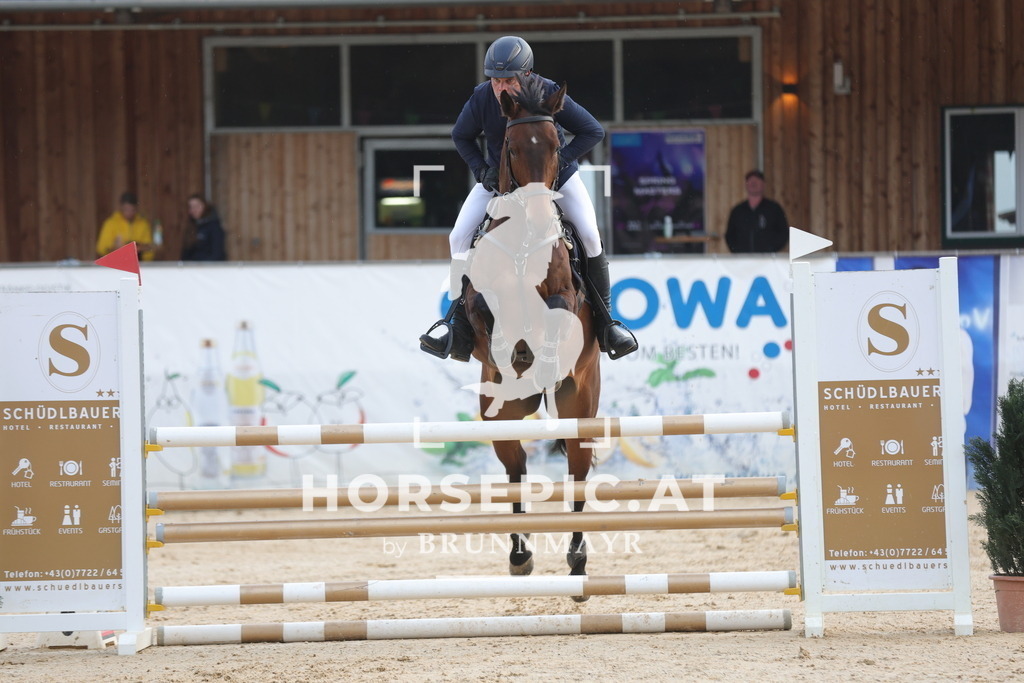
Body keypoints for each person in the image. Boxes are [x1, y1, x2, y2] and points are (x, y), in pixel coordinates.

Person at [419, 35, 637, 362]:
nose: (501, 88)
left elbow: (593, 131)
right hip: (502, 182)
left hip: (557, 179)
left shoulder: (548, 91)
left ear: (528, 74)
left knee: (590, 236)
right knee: (458, 237)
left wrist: (557, 163)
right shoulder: (482, 98)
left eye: (509, 80)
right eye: (496, 81)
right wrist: (482, 170)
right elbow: (460, 135)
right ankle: (459, 326)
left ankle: (607, 324)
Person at [725, 170, 790, 253]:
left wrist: (771, 250)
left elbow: (783, 233)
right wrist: (737, 251)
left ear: (763, 184)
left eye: (757, 180)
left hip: (768, 260)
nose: (753, 183)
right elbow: (730, 235)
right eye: (750, 181)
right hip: (742, 260)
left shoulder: (774, 209)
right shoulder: (738, 211)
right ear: (746, 184)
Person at [96, 191, 157, 261]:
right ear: (121, 207)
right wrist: (117, 248)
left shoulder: (143, 224)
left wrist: (139, 248)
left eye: (132, 210)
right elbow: (101, 249)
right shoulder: (111, 223)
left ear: (136, 208)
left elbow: (150, 249)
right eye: (126, 209)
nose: (129, 213)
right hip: (116, 265)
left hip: (140, 265)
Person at [181, 194, 227, 261]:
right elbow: (186, 254)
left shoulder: (214, 227)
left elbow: (217, 254)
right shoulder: (191, 227)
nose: (193, 210)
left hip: (209, 268)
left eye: (196, 206)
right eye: (190, 207)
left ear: (204, 206)